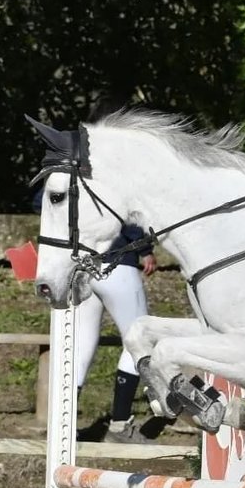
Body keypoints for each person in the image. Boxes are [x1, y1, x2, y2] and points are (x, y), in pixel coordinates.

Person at [33, 187, 157, 442]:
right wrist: (144, 247)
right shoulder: (113, 164)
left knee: (80, 348)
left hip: (83, 266)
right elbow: (130, 214)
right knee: (139, 339)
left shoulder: (71, 170)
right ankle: (120, 424)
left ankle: (62, 428)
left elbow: (40, 201)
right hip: (118, 262)